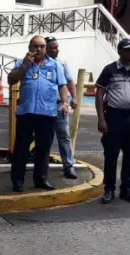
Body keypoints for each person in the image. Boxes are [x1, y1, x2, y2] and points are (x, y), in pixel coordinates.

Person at [7, 35, 70, 192]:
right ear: (30, 48)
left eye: (42, 46)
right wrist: (25, 67)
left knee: (43, 148)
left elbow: (62, 85)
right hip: (26, 112)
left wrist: (64, 103)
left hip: (48, 113)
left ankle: (41, 179)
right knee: (21, 148)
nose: (39, 49)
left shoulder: (55, 65)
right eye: (36, 46)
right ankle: (17, 180)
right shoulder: (22, 63)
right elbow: (11, 80)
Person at [95, 38, 130, 204]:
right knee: (111, 154)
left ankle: (127, 189)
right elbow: (99, 94)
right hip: (114, 117)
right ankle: (109, 189)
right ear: (120, 52)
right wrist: (101, 119)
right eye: (128, 50)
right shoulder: (110, 70)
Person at [45, 36, 78, 179]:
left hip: (59, 105)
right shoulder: (39, 64)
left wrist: (74, 97)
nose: (57, 50)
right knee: (44, 137)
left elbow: (69, 81)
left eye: (57, 47)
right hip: (43, 106)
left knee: (64, 137)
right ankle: (42, 168)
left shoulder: (61, 63)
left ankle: (68, 166)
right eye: (53, 47)